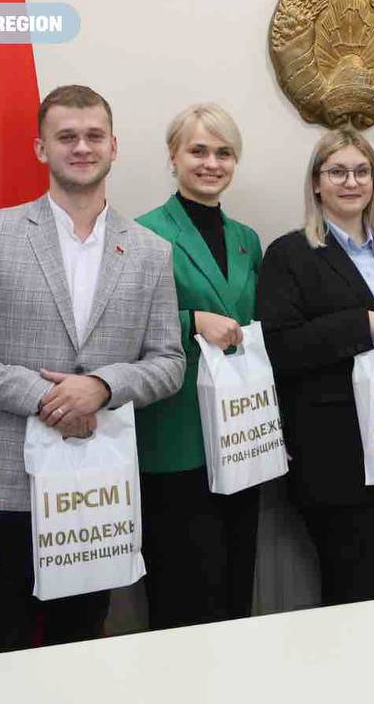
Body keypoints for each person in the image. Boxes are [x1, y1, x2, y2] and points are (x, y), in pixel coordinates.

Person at [0, 84, 185, 655]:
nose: (81, 147)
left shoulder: (150, 250)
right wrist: (44, 396)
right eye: (66, 137)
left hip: (96, 490)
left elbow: (169, 363)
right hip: (4, 489)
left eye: (93, 136)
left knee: (81, 648)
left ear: (114, 147)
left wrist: (103, 386)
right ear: (41, 149)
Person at [256, 130, 374, 606]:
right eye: (337, 171)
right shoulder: (289, 254)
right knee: (355, 591)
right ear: (316, 182)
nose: (351, 182)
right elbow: (279, 347)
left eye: (362, 171)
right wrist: (357, 325)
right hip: (333, 456)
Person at [134, 103, 263, 630]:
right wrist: (191, 321)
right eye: (199, 151)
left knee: (236, 584)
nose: (212, 163)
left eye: (224, 153)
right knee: (183, 592)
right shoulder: (143, 233)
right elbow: (120, 328)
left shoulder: (247, 239)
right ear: (174, 156)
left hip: (240, 432)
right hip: (177, 434)